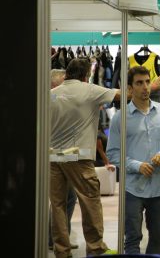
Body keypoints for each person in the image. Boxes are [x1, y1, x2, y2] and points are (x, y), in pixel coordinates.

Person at [50, 59, 120, 257]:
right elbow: (121, 95)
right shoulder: (89, 89)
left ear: (67, 74)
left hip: (53, 157)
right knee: (90, 201)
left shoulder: (51, 94)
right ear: (86, 74)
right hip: (78, 157)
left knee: (57, 206)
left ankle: (61, 251)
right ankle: (96, 248)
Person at [107, 66, 160, 254]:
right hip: (133, 188)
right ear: (130, 88)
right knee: (132, 238)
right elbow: (113, 153)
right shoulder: (120, 118)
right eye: (139, 83)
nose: (146, 87)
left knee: (157, 237)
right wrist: (137, 166)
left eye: (147, 81)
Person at [48, 69, 78, 252]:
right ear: (55, 83)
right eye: (64, 81)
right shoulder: (53, 98)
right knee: (62, 199)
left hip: (66, 152)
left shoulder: (57, 99)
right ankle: (58, 239)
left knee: (65, 198)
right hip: (60, 153)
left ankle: (59, 238)